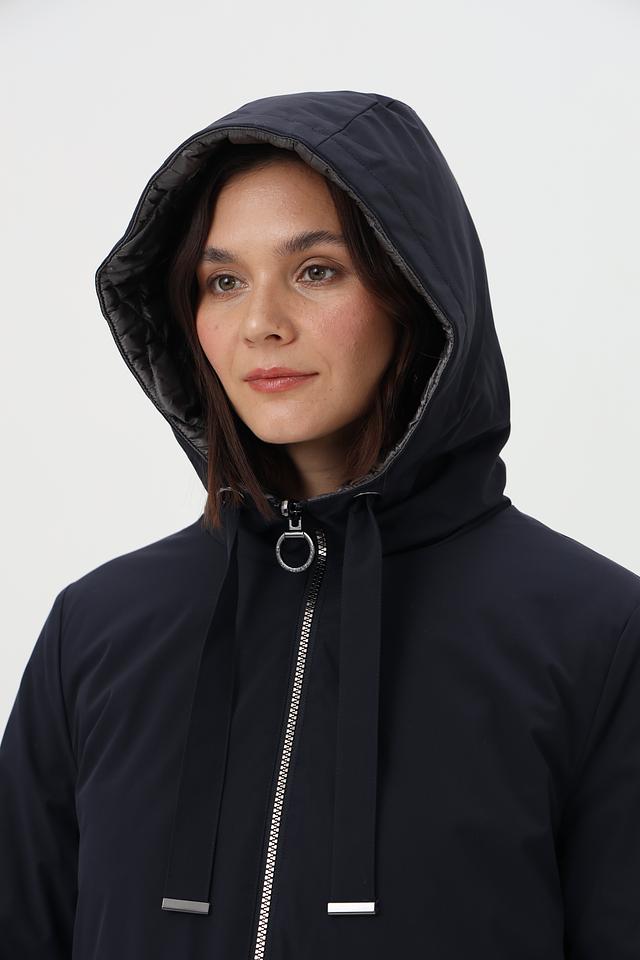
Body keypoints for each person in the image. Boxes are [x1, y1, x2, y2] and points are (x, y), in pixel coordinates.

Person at [1, 89, 639, 959]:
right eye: (224, 281)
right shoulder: (97, 629)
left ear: (414, 292)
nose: (261, 324)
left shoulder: (596, 633)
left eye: (316, 271)